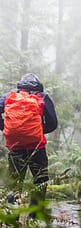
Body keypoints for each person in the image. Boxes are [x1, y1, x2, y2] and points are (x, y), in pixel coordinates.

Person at [0, 73, 58, 219]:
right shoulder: (42, 97)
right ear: (37, 84)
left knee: (14, 182)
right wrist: (37, 130)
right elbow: (53, 123)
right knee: (40, 180)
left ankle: (11, 219)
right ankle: (35, 217)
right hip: (37, 146)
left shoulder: (8, 97)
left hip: (15, 146)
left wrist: (5, 127)